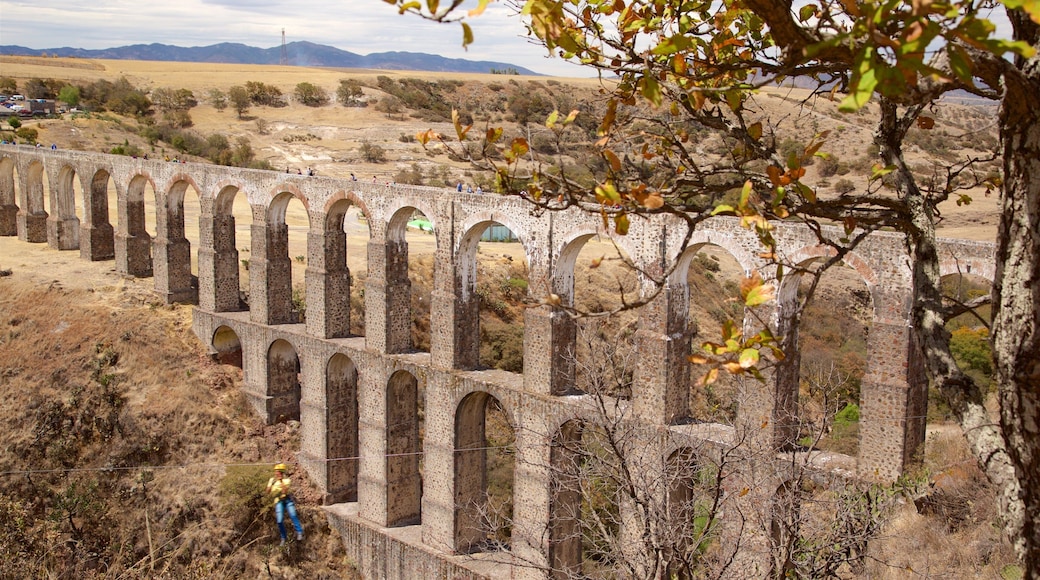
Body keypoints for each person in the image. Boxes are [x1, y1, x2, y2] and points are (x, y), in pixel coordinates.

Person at [266, 463, 304, 545]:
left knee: (293, 515)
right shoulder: (272, 481)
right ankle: (283, 537)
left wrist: (281, 481)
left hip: (287, 500)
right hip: (279, 501)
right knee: (279, 520)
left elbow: (284, 491)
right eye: (276, 472)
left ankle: (299, 532)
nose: (276, 473)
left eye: (278, 472)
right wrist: (271, 484)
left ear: (281, 473)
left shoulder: (287, 480)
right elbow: (268, 492)